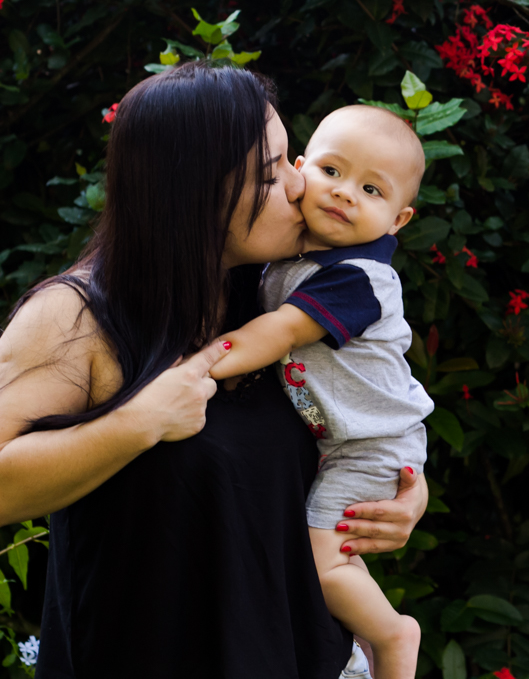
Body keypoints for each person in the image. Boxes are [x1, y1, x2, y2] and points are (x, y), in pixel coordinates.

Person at [0, 62, 428, 678]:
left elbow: (376, 411)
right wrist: (137, 424)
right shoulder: (77, 316)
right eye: (269, 172)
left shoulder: (276, 299)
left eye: (292, 160)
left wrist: (400, 495)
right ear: (193, 191)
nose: (298, 186)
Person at [208, 105, 432, 679]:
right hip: (345, 441)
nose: (344, 194)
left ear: (398, 219)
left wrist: (202, 367)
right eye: (332, 171)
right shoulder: (294, 253)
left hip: (372, 446)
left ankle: (390, 637)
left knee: (321, 562)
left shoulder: (360, 277)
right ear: (300, 169)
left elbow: (280, 331)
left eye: (371, 189)